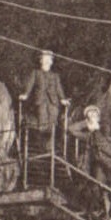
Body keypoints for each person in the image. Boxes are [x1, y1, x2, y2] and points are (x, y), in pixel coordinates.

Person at [18, 50, 68, 178]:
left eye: (48, 59)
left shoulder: (55, 76)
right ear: (41, 61)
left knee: (52, 124)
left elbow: (59, 89)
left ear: (51, 62)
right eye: (44, 59)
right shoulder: (36, 73)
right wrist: (25, 95)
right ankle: (44, 148)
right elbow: (30, 85)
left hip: (53, 103)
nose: (46, 61)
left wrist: (63, 99)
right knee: (42, 123)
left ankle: (49, 148)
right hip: (40, 102)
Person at [68, 105, 111, 220]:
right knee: (97, 186)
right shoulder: (89, 136)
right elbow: (71, 129)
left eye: (94, 114)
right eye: (89, 115)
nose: (92, 116)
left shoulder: (106, 130)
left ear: (98, 117)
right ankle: (101, 213)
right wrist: (85, 123)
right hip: (98, 164)